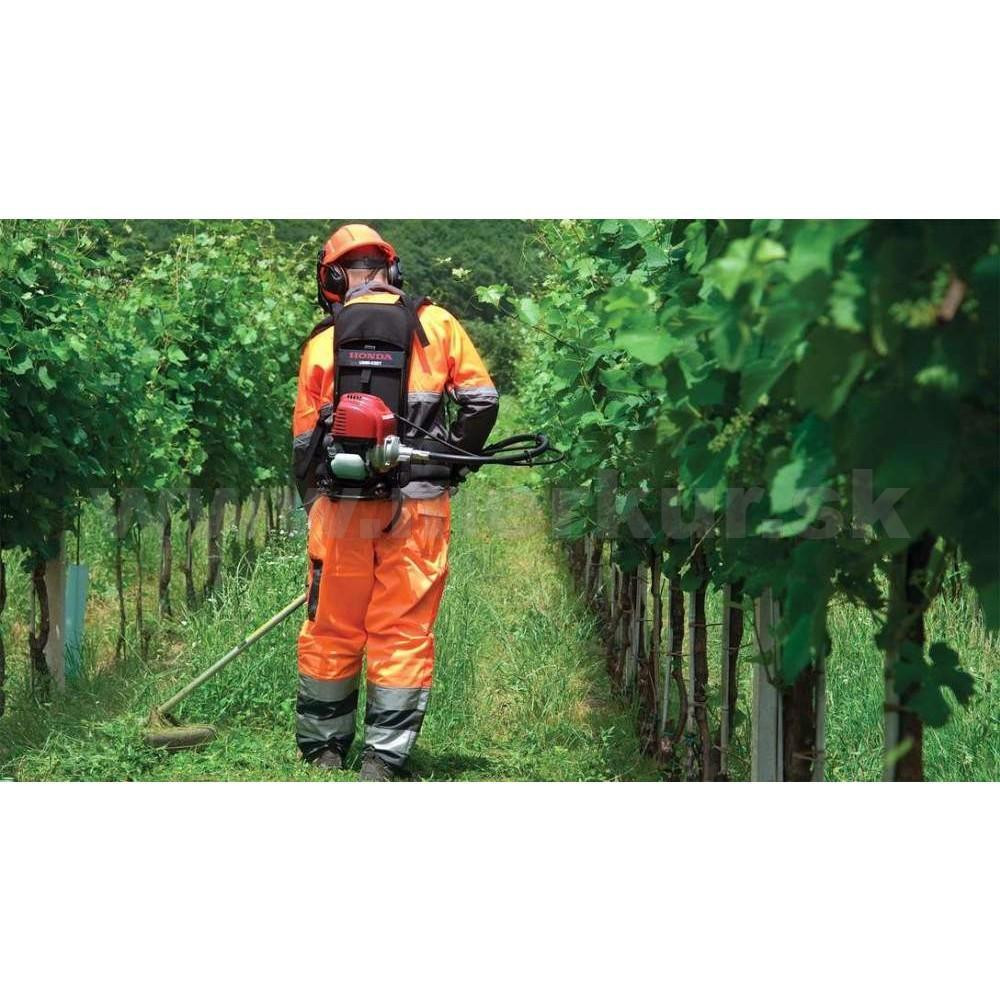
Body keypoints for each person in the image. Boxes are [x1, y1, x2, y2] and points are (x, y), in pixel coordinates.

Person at [291, 224, 499, 780]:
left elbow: (304, 444)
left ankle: (324, 750)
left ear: (333, 279)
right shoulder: (437, 325)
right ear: (393, 270)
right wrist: (449, 466)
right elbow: (482, 402)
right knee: (402, 630)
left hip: (340, 509)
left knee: (332, 626)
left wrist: (317, 502)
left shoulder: (323, 341)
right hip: (419, 507)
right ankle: (383, 759)